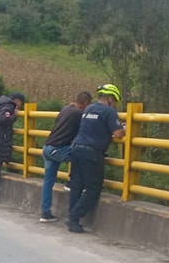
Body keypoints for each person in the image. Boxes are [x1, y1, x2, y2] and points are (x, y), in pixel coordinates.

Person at [66, 84, 126, 233]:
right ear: (111, 99)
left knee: (77, 185)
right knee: (94, 188)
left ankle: (72, 218)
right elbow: (118, 133)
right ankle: (74, 216)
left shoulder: (88, 108)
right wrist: (124, 128)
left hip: (76, 148)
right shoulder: (109, 111)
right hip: (91, 152)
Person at [39, 92, 92, 223]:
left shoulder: (65, 109)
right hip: (58, 149)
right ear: (85, 103)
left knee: (48, 182)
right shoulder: (79, 114)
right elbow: (88, 128)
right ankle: (71, 182)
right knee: (80, 154)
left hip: (47, 147)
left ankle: (45, 212)